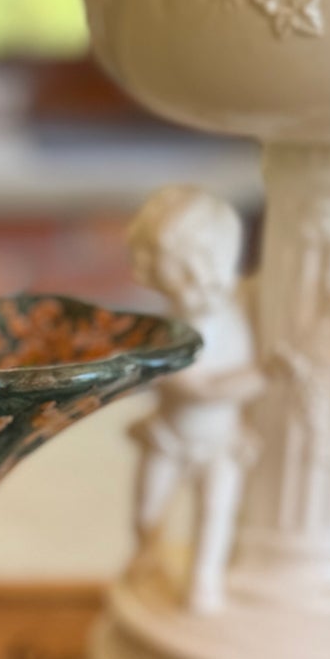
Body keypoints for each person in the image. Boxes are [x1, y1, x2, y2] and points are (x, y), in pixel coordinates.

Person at [127, 185, 261, 614]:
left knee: (215, 514)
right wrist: (263, 376)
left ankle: (204, 582)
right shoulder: (172, 330)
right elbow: (193, 387)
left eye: (157, 258)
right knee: (148, 513)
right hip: (169, 436)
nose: (148, 268)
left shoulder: (233, 315)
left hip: (220, 443)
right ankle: (148, 558)